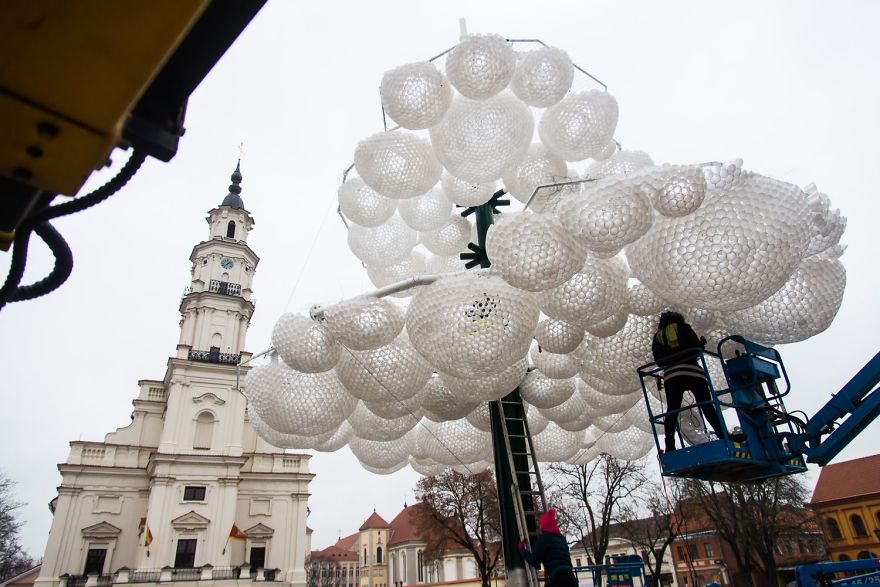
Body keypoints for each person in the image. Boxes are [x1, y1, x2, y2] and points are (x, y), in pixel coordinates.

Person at [652, 310, 725, 452]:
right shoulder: (683, 328)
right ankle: (723, 435)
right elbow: (695, 348)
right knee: (707, 405)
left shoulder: (658, 337)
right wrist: (700, 345)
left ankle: (670, 445)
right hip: (693, 372)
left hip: (671, 376)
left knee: (672, 410)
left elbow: (658, 361)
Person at [517, 508, 578, 587]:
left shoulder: (544, 538)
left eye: (540, 524)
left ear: (545, 525)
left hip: (558, 578)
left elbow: (534, 561)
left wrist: (522, 550)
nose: (539, 526)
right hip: (571, 577)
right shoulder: (561, 537)